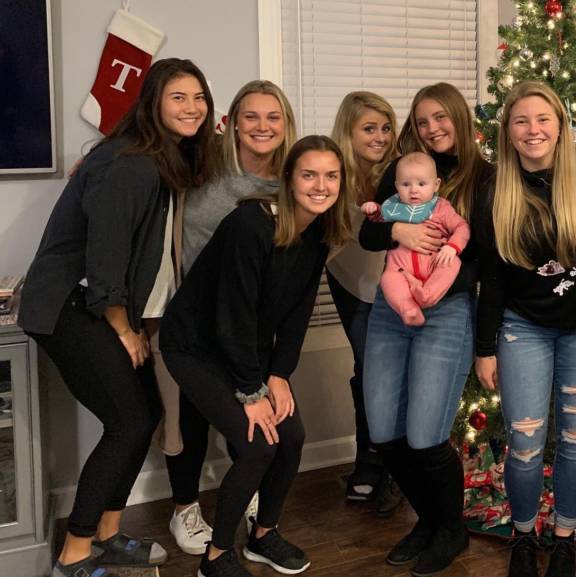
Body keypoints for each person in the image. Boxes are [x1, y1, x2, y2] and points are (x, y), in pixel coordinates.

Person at [18, 58, 219, 577]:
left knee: (143, 415)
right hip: (70, 304)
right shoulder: (131, 162)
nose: (192, 107)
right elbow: (105, 253)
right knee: (129, 421)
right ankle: (74, 556)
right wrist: (122, 326)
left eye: (198, 97)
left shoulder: (160, 158)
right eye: (178, 97)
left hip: (93, 304)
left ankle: (107, 536)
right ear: (152, 101)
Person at [159, 135, 346, 577]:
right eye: (309, 174)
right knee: (258, 444)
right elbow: (232, 315)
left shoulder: (320, 230)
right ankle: (216, 557)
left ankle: (263, 536)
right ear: (287, 179)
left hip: (246, 348)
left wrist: (280, 374)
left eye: (331, 175)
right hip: (195, 346)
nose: (321, 185)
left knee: (292, 437)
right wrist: (251, 390)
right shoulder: (251, 224)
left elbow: (298, 311)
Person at [474, 81, 576, 577]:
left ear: (560, 124)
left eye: (543, 119)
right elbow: (490, 277)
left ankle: (564, 539)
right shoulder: (494, 189)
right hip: (523, 329)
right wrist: (485, 347)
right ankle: (524, 534)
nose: (533, 130)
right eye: (521, 121)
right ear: (508, 133)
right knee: (526, 442)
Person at [360, 82, 492, 576]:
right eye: (421, 121)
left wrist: (448, 257)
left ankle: (448, 528)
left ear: (458, 117)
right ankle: (431, 520)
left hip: (446, 310)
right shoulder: (405, 168)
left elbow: (489, 256)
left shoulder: (485, 178)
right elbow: (368, 230)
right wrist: (401, 230)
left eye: (440, 117)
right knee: (383, 427)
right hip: (390, 308)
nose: (431, 128)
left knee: (425, 435)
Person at [160, 79, 297, 556]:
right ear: (233, 122)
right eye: (252, 116)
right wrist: (94, 161)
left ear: (286, 124)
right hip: (189, 315)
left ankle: (250, 499)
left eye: (273, 117)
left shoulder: (290, 184)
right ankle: (184, 507)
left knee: (252, 422)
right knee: (186, 421)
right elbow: (147, 151)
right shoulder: (206, 161)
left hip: (243, 324)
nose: (263, 126)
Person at [325, 91, 400, 511]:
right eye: (369, 128)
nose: (380, 137)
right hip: (351, 283)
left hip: (393, 286)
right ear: (349, 131)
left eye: (386, 128)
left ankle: (387, 464)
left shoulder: (401, 172)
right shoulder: (335, 175)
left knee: (388, 376)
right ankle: (369, 460)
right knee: (368, 372)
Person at [364, 151, 470, 326]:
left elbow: (462, 228)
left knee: (452, 264)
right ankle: (408, 308)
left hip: (434, 262)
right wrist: (373, 209)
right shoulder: (395, 207)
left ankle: (427, 295)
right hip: (401, 269)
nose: (414, 190)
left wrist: (452, 246)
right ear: (397, 186)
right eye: (406, 184)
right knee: (388, 279)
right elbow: (378, 220)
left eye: (422, 184)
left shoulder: (441, 208)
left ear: (436, 185)